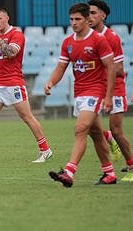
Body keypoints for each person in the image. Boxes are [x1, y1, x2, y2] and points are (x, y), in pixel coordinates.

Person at [46, 3, 117, 187]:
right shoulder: (68, 42)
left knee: (80, 128)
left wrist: (108, 97)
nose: (74, 23)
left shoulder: (98, 40)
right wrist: (51, 82)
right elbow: (61, 67)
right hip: (80, 92)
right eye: (71, 19)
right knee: (95, 133)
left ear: (87, 20)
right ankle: (109, 173)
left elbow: (111, 67)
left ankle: (69, 171)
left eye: (78, 19)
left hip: (96, 90)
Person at [0, 6, 52, 164]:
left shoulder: (16, 34)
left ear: (7, 18)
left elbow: (11, 53)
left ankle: (45, 150)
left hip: (14, 83)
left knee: (27, 117)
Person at [88, 0, 133, 182]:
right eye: (88, 13)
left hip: (114, 88)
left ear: (103, 16)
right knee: (89, 126)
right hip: (96, 87)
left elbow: (120, 67)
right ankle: (109, 143)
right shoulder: (87, 37)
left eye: (93, 13)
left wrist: (110, 68)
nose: (89, 17)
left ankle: (131, 165)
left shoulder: (111, 37)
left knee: (116, 129)